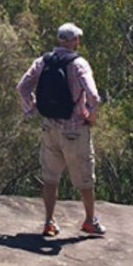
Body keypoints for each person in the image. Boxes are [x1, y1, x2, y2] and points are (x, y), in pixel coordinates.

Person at [16, 22, 105, 236]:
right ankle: (90, 221)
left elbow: (22, 87)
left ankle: (49, 222)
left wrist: (32, 108)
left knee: (50, 177)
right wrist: (90, 116)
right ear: (75, 41)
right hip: (74, 129)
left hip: (49, 127)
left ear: (59, 40)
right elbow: (93, 96)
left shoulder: (42, 61)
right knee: (84, 178)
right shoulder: (79, 64)